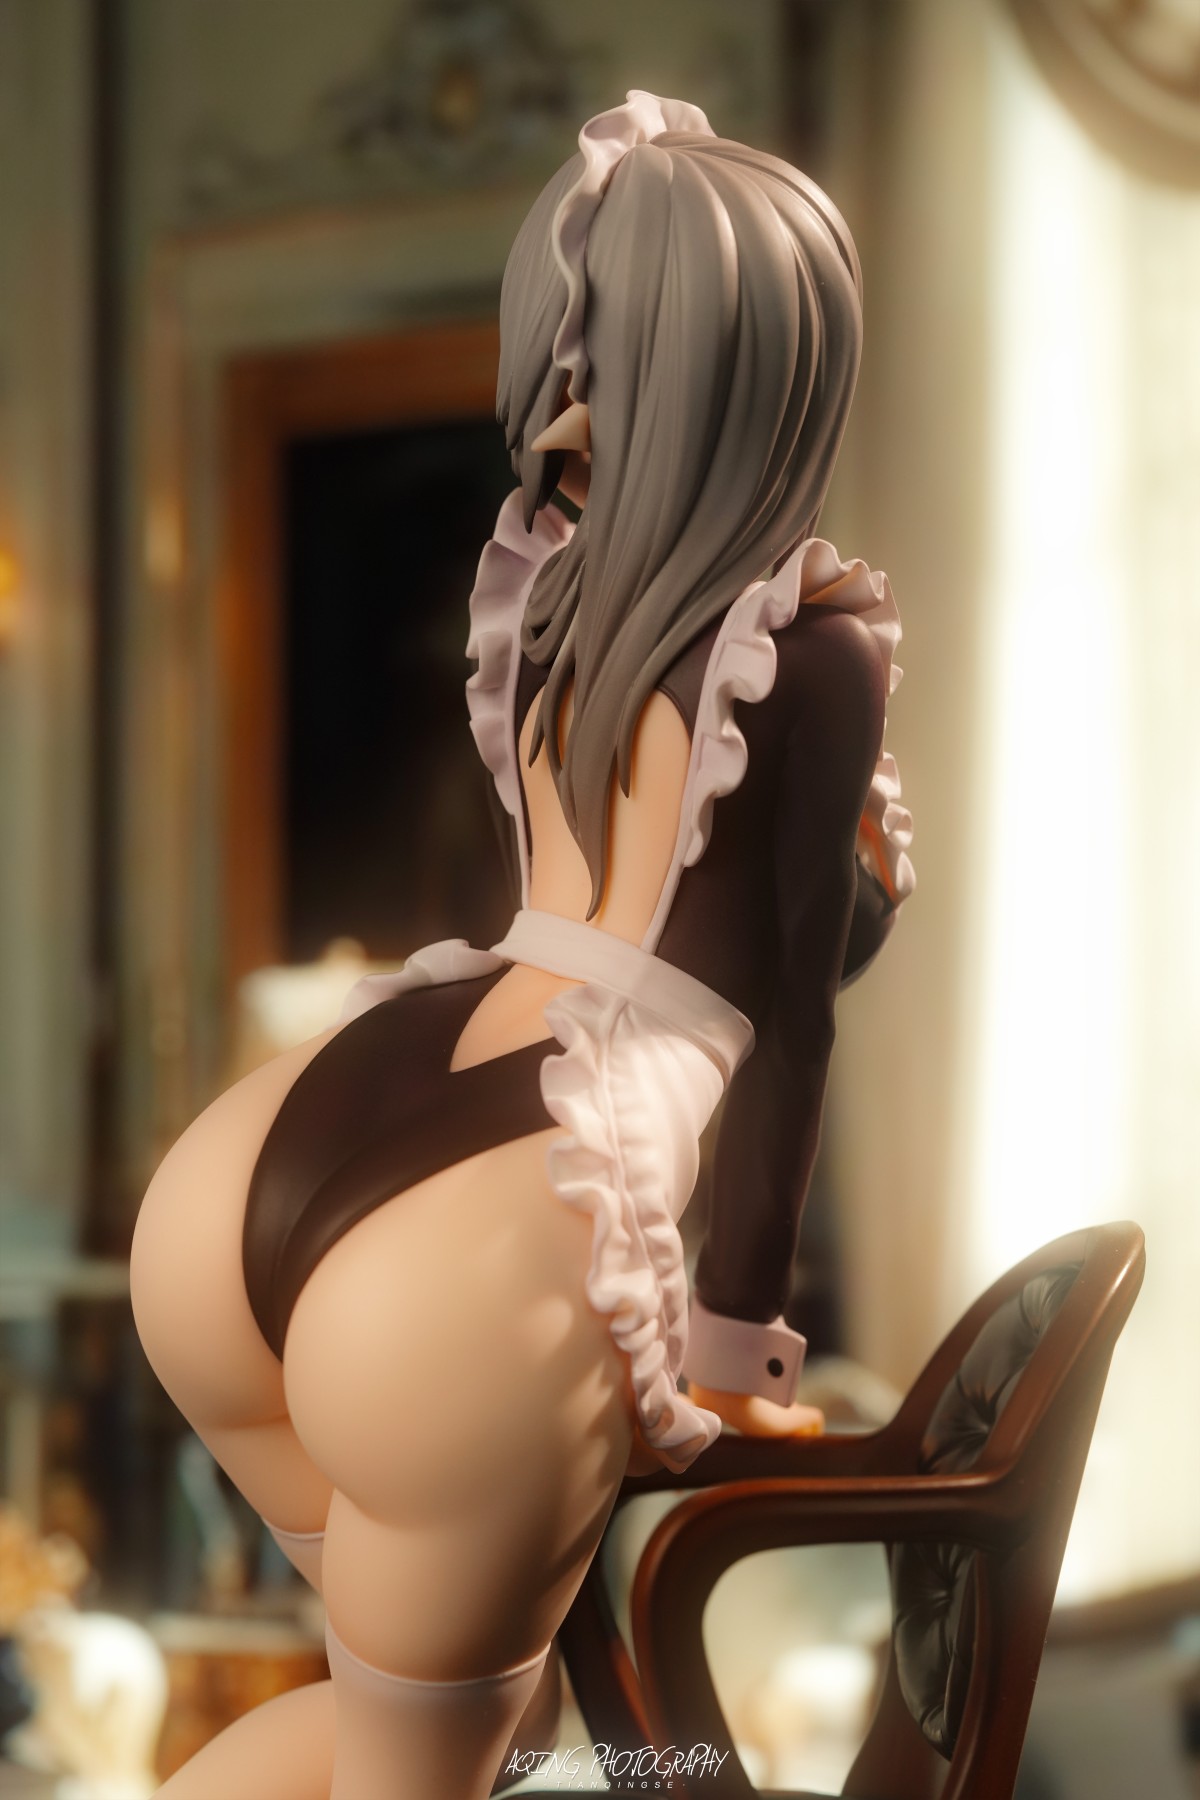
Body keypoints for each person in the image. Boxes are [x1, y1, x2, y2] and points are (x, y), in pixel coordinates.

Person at [130, 90, 912, 1800]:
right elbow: (786, 1018)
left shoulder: (546, 602)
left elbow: (567, 901)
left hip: (283, 1153)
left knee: (446, 1739)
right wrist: (735, 1345)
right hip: (516, 1220)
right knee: (434, 1755)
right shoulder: (818, 645)